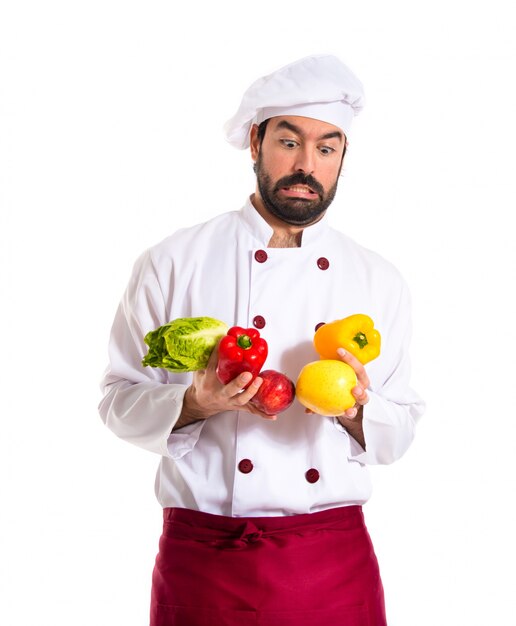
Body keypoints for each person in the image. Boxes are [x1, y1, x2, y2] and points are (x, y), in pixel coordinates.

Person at [99, 54, 425, 626]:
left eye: (326, 148)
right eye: (288, 141)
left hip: (332, 559)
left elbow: (400, 433)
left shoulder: (377, 279)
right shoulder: (173, 262)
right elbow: (117, 400)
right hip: (205, 558)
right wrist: (194, 402)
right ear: (255, 143)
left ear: (343, 157)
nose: (306, 165)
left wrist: (356, 411)